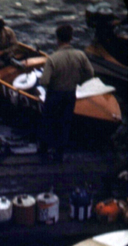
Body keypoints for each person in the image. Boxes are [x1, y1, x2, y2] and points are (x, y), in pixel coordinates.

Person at [38, 24, 94, 163]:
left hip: (54, 95)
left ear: (57, 39)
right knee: (65, 123)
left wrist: (49, 85)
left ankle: (43, 150)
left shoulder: (53, 59)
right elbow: (90, 73)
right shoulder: (80, 55)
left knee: (48, 122)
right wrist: (79, 81)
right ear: (71, 38)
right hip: (70, 94)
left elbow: (44, 81)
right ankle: (59, 154)